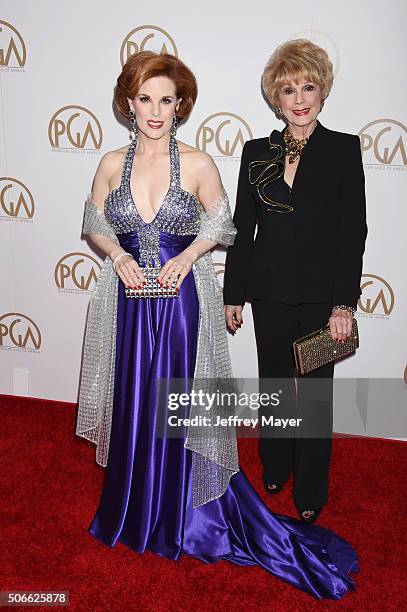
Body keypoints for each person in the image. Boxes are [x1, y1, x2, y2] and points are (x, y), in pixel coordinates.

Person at [76, 50, 359, 600]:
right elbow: (94, 222)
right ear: (129, 104)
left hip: (182, 305)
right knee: (138, 396)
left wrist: (186, 259)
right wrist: (118, 257)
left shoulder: (202, 162)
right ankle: (138, 502)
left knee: (189, 400)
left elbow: (224, 225)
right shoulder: (112, 162)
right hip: (133, 302)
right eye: (145, 99)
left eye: (166, 99)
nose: (155, 110)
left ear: (180, 104)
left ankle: (207, 504)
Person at [223, 39, 368, 524]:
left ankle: (310, 487)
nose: (300, 98)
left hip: (323, 300)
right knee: (277, 388)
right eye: (289, 90)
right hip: (269, 292)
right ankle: (276, 464)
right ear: (276, 98)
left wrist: (343, 304)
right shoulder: (256, 151)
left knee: (315, 396)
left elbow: (353, 233)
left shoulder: (344, 150)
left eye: (308, 86)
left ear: (322, 91)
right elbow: (243, 226)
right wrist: (234, 292)